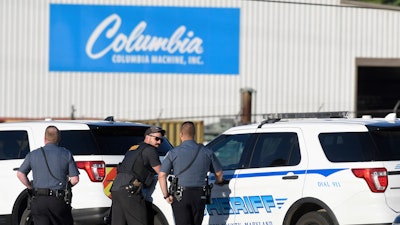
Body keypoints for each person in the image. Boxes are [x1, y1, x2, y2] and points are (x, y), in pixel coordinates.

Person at [158, 121, 224, 225]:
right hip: (200, 195)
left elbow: (162, 175)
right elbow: (219, 173)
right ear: (194, 134)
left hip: (180, 196)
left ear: (181, 134)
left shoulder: (173, 153)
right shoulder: (207, 152)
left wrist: (166, 195)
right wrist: (219, 182)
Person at [16, 125, 80, 225]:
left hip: (38, 201)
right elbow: (75, 179)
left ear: (44, 139)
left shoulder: (33, 154)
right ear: (58, 138)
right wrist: (66, 187)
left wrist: (30, 186)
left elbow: (20, 174)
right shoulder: (66, 154)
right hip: (58, 201)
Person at [110, 126, 165, 225]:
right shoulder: (150, 150)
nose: (159, 142)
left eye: (161, 140)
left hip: (116, 190)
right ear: (147, 137)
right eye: (156, 139)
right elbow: (161, 173)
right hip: (130, 191)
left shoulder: (133, 148)